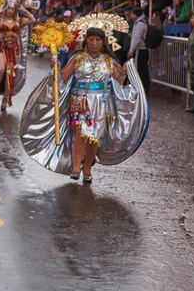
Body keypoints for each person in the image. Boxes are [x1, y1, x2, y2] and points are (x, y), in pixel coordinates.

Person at [20, 18, 149, 183]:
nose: (94, 43)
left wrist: (125, 71)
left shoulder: (109, 62)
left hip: (100, 104)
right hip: (79, 101)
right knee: (80, 134)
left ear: (103, 43)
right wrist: (55, 67)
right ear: (86, 41)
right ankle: (75, 168)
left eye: (98, 40)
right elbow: (63, 77)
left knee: (94, 138)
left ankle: (87, 168)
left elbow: (120, 81)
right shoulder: (77, 59)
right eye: (91, 39)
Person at [128, 7, 150, 96]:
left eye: (132, 14)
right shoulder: (141, 22)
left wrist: (131, 50)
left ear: (136, 14)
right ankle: (144, 89)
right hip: (141, 50)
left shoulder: (140, 24)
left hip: (140, 50)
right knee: (143, 70)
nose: (131, 16)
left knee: (141, 71)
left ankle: (142, 89)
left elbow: (136, 38)